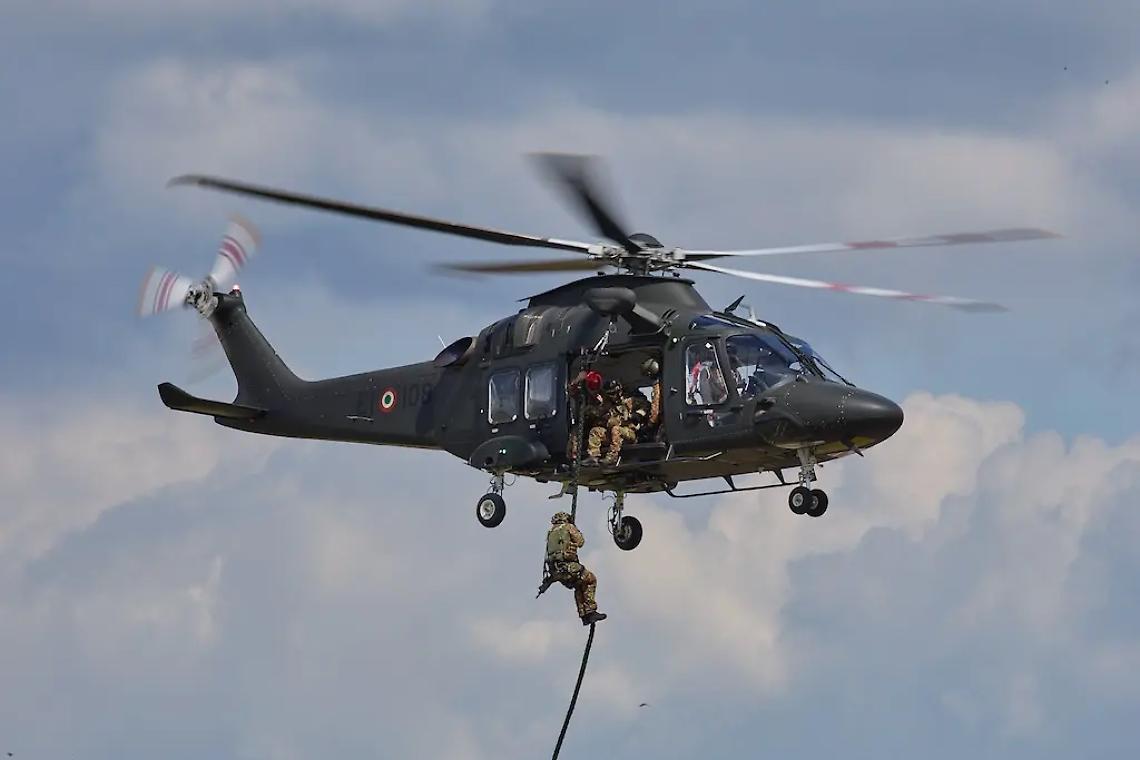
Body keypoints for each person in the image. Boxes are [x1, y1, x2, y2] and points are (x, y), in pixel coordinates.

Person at [538, 512, 607, 625]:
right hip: (568, 567)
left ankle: (584, 615)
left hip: (556, 572)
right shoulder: (568, 527)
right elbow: (581, 542)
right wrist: (575, 528)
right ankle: (590, 610)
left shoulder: (551, 532)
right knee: (591, 579)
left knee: (579, 585)